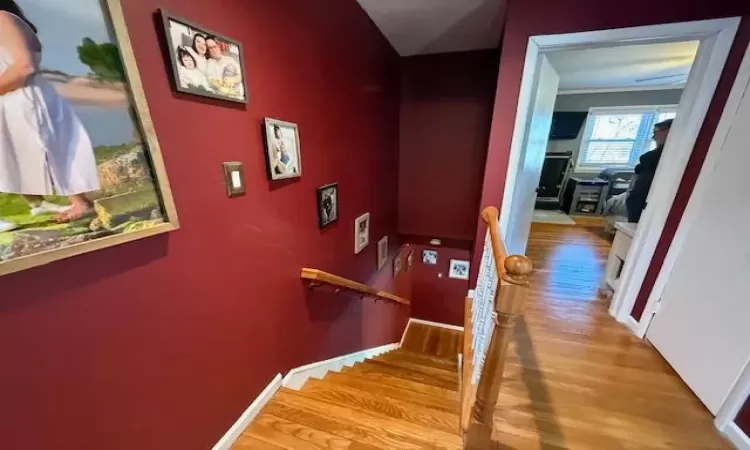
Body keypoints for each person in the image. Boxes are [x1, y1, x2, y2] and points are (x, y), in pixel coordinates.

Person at [0, 1, 100, 231]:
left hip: (22, 98)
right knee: (52, 147)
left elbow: (23, 67)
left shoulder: (2, 18)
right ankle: (52, 202)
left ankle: (79, 203)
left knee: (51, 148)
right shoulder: (10, 20)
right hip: (23, 97)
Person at [625, 118, 672, 223]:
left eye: (656, 133)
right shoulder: (659, 151)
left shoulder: (669, 152)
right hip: (638, 196)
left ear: (668, 131)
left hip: (645, 198)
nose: (653, 137)